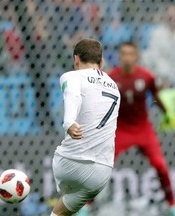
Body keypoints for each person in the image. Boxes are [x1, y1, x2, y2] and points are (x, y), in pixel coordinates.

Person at [109, 42, 175, 216]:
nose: (127, 58)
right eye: (124, 54)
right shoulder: (111, 78)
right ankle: (86, 206)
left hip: (143, 128)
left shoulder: (146, 77)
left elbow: (156, 96)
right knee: (103, 167)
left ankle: (173, 205)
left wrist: (167, 114)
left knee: (160, 165)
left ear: (136, 57)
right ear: (120, 57)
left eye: (131, 54)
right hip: (121, 129)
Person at [50, 38, 120, 216]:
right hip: (101, 172)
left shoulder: (71, 76)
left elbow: (73, 95)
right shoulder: (114, 87)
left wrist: (69, 122)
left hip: (69, 162)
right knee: (59, 213)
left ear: (76, 59)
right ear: (101, 62)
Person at [142, 4, 175, 83]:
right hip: (160, 75)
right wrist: (164, 74)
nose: (172, 18)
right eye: (170, 16)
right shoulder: (157, 34)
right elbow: (154, 56)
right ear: (165, 16)